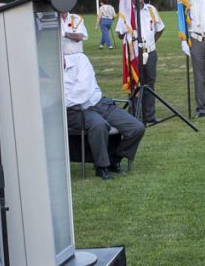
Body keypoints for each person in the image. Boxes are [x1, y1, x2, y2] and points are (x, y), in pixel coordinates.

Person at [62, 16, 145, 178]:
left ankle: (115, 157)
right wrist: (67, 102)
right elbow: (65, 98)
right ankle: (102, 166)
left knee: (136, 128)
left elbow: (82, 90)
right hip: (77, 111)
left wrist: (67, 100)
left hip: (99, 103)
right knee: (99, 125)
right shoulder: (49, 69)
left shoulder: (81, 59)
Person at [118, 0, 164, 122]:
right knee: (134, 84)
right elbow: (119, 35)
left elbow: (160, 28)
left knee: (149, 84)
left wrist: (152, 42)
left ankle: (150, 115)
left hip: (149, 52)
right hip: (134, 54)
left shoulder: (151, 9)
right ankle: (134, 115)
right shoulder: (126, 11)